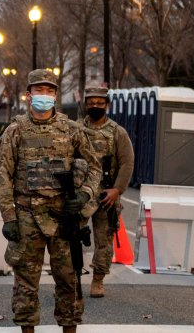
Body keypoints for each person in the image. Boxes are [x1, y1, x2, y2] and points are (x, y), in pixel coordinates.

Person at [0, 68, 101, 333]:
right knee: (26, 282)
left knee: (69, 280)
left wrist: (85, 195)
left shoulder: (72, 130)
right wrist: (9, 217)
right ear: (28, 96)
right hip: (27, 216)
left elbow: (95, 167)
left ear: (55, 95)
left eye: (50, 91)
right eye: (39, 91)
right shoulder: (15, 131)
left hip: (64, 217)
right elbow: (2, 176)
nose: (45, 95)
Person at [79, 84, 134, 299]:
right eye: (91, 103)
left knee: (104, 240)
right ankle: (73, 278)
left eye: (99, 103)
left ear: (107, 105)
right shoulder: (76, 130)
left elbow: (127, 163)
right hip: (81, 195)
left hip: (106, 195)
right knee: (71, 237)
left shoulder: (117, 132)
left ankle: (98, 280)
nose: (95, 106)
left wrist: (117, 190)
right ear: (85, 105)